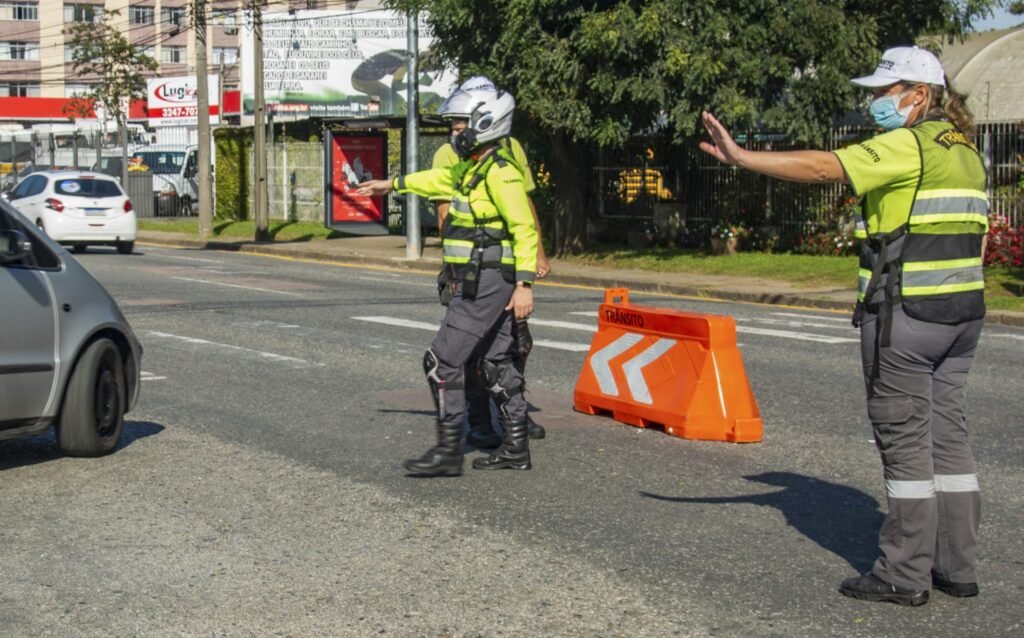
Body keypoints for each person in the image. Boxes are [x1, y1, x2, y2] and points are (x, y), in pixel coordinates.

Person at [699, 46, 987, 606]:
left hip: (906, 316)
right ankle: (957, 566)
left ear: (919, 94)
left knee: (905, 443)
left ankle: (904, 573)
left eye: (883, 91)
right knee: (948, 439)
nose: (874, 100)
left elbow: (824, 167)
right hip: (961, 317)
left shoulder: (909, 144)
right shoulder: (965, 150)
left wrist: (742, 157)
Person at [357, 84, 539, 476]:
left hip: (486, 281)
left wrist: (525, 284)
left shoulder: (501, 173)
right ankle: (516, 448)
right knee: (494, 362)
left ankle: (449, 451)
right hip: (481, 278)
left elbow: (524, 228)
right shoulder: (471, 170)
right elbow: (435, 178)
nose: (454, 134)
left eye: (460, 127)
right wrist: (391, 185)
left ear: (485, 124)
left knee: (441, 362)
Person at [431, 76, 549, 449]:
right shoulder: (449, 151)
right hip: (469, 265)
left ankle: (513, 416)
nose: (457, 127)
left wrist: (538, 253)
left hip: (506, 266)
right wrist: (456, 267)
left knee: (514, 343)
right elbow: (445, 212)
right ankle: (479, 421)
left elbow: (523, 203)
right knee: (469, 347)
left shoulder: (510, 146)